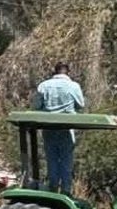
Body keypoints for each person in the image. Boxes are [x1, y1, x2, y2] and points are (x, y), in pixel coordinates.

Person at [32, 63, 85, 195]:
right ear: (68, 72)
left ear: (54, 71)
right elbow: (81, 105)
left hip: (49, 127)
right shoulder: (74, 86)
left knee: (52, 158)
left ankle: (53, 188)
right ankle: (66, 190)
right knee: (66, 159)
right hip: (67, 127)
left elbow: (36, 105)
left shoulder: (43, 86)